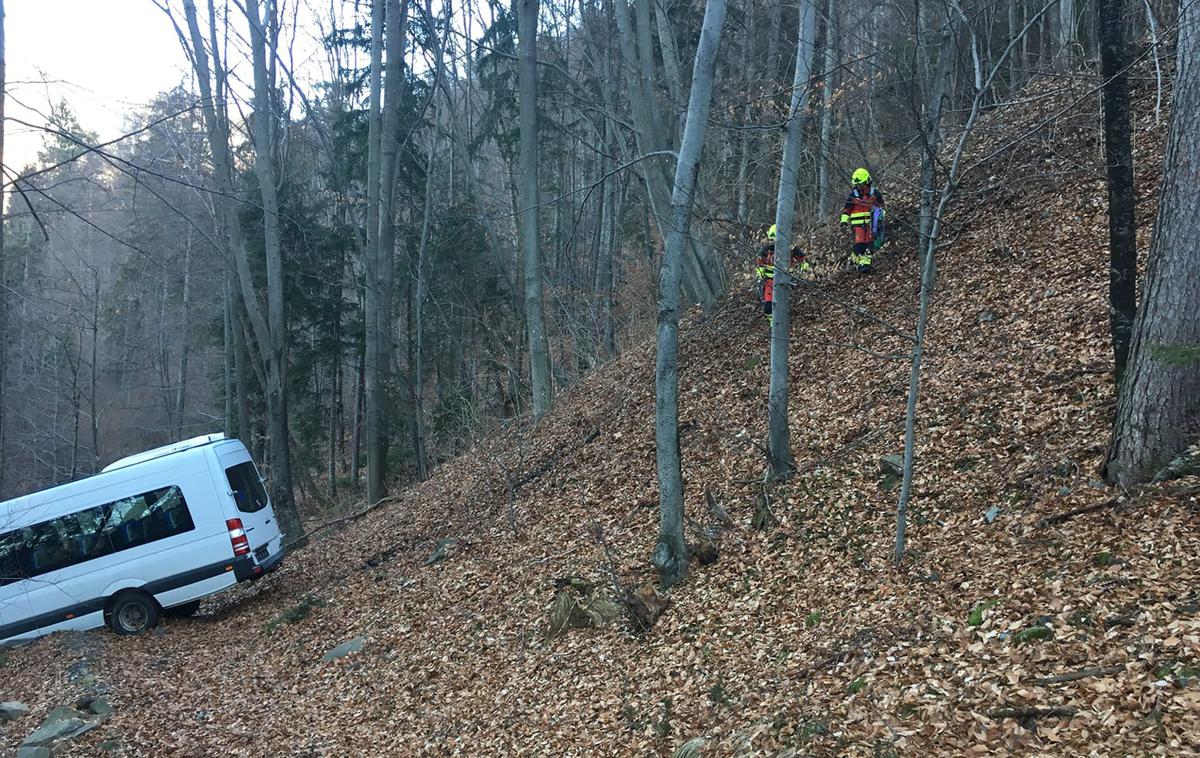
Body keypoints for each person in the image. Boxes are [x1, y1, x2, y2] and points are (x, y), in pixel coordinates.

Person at [755, 224, 809, 325]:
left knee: (784, 305)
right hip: (770, 283)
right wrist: (760, 276)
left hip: (786, 281)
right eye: (771, 240)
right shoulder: (766, 251)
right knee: (768, 307)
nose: (773, 243)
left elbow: (802, 260)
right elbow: (760, 265)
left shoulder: (791, 249)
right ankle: (773, 324)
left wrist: (803, 268)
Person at [840, 168, 885, 273]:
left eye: (861, 184)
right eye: (858, 185)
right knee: (859, 245)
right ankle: (853, 261)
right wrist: (844, 221)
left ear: (866, 182)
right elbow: (847, 210)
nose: (859, 187)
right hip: (858, 226)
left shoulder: (875, 193)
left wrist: (879, 220)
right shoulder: (853, 195)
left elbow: (881, 208)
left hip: (871, 225)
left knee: (869, 245)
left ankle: (864, 265)